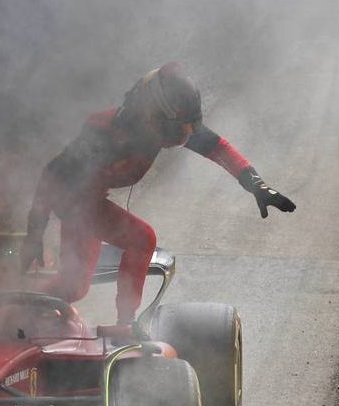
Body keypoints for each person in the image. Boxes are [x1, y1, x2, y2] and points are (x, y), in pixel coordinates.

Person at [21, 62, 295, 328]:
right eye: (178, 130)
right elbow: (52, 175)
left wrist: (256, 184)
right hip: (72, 199)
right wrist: (35, 231)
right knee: (142, 238)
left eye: (189, 129)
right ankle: (126, 324)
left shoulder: (168, 125)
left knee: (74, 287)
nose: (183, 138)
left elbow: (218, 148)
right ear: (149, 115)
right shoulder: (104, 131)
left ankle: (16, 304)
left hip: (90, 201)